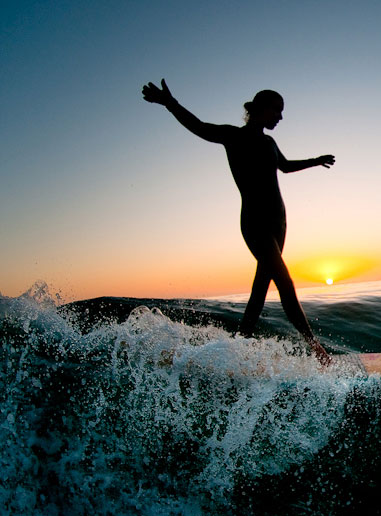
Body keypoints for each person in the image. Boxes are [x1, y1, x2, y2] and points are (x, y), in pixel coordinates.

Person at [142, 79, 333, 366]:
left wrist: (315, 160)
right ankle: (315, 347)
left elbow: (285, 166)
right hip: (255, 223)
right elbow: (199, 126)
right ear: (260, 108)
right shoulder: (234, 136)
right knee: (284, 280)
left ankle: (237, 348)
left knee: (261, 289)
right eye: (277, 110)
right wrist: (170, 103)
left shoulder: (269, 142)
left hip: (279, 222)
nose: (280, 117)